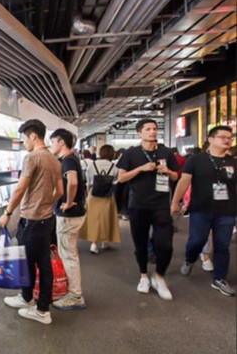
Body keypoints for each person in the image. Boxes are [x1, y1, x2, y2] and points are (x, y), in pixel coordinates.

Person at [0, 119, 63, 325]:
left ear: (33, 136)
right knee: (41, 263)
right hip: (47, 219)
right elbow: (60, 191)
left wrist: (8, 212)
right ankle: (28, 298)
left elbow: (20, 188)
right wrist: (46, 203)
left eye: (24, 138)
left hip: (32, 220)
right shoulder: (54, 159)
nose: (24, 142)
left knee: (31, 262)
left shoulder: (32, 157)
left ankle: (42, 310)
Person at [117, 119, 179, 300]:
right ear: (140, 133)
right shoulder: (131, 153)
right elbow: (121, 178)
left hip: (161, 205)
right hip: (138, 205)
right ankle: (143, 275)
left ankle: (159, 276)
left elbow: (176, 176)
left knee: (165, 244)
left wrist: (168, 171)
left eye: (154, 128)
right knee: (140, 243)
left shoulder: (166, 152)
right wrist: (141, 168)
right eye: (148, 129)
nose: (152, 131)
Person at [172, 126, 236, 297]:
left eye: (230, 137)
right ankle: (190, 259)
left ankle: (219, 278)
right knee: (197, 240)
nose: (227, 140)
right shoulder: (196, 160)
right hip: (201, 208)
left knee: (222, 245)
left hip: (227, 210)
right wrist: (175, 202)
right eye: (223, 137)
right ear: (211, 139)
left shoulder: (233, 162)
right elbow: (184, 181)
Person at [49, 129, 87, 310]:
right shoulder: (70, 159)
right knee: (68, 253)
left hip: (69, 215)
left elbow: (73, 182)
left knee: (68, 254)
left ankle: (75, 295)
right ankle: (72, 292)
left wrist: (69, 202)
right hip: (73, 214)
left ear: (61, 142)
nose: (51, 146)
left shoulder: (68, 160)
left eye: (52, 142)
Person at [81, 144, 121, 254]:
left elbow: (88, 182)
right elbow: (115, 181)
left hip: (93, 195)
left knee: (93, 220)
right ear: (112, 154)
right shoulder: (114, 167)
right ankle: (105, 240)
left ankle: (94, 244)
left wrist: (88, 194)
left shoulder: (92, 165)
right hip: (108, 195)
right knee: (107, 218)